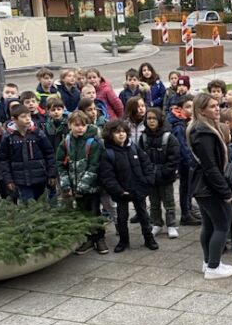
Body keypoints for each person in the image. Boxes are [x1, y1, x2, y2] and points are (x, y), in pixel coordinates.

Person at [186, 93, 232, 276]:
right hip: (209, 188)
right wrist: (225, 192)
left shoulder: (199, 129)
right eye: (213, 106)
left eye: (218, 105)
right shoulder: (204, 133)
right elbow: (211, 167)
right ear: (201, 110)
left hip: (202, 186)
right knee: (222, 226)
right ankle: (214, 266)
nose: (217, 109)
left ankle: (208, 262)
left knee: (209, 225)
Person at [99, 119, 158, 253]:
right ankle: (123, 240)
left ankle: (149, 238)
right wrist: (118, 190)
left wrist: (148, 181)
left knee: (143, 215)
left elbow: (146, 164)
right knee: (121, 218)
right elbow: (107, 177)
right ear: (110, 135)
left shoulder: (133, 147)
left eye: (123, 132)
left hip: (138, 188)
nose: (121, 135)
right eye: (117, 132)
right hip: (122, 191)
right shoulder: (108, 153)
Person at [58, 111, 108, 255]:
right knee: (82, 213)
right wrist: (66, 184)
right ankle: (88, 239)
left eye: (83, 125)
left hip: (91, 187)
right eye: (76, 125)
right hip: (74, 186)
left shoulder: (93, 142)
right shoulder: (66, 142)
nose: (80, 128)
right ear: (69, 125)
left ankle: (99, 238)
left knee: (94, 212)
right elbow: (60, 164)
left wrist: (82, 187)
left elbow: (94, 166)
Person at [0, 103, 56, 203]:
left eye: (29, 116)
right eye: (23, 117)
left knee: (41, 203)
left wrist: (51, 174)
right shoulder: (8, 137)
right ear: (14, 119)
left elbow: (49, 154)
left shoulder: (38, 133)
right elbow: (4, 160)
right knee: (28, 203)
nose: (28, 119)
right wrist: (8, 180)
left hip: (40, 177)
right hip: (20, 179)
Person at [142, 107, 181, 240]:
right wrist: (148, 172)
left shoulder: (169, 137)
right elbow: (141, 156)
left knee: (169, 202)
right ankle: (156, 223)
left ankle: (171, 224)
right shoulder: (144, 137)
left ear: (160, 120)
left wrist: (164, 171)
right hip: (151, 176)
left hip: (165, 176)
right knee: (153, 202)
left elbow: (174, 157)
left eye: (154, 118)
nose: (151, 121)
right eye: (149, 118)